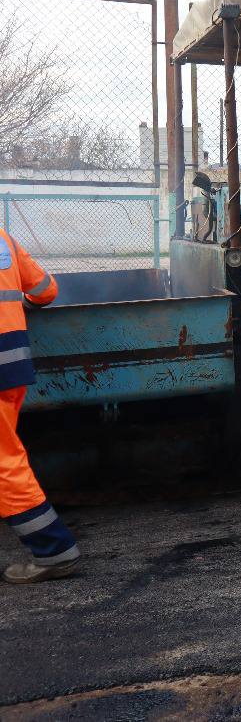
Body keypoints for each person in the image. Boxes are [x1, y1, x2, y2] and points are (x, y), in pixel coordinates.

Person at [0, 231, 80, 583]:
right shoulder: (3, 237)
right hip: (12, 362)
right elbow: (45, 290)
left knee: (3, 461)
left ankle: (54, 551)